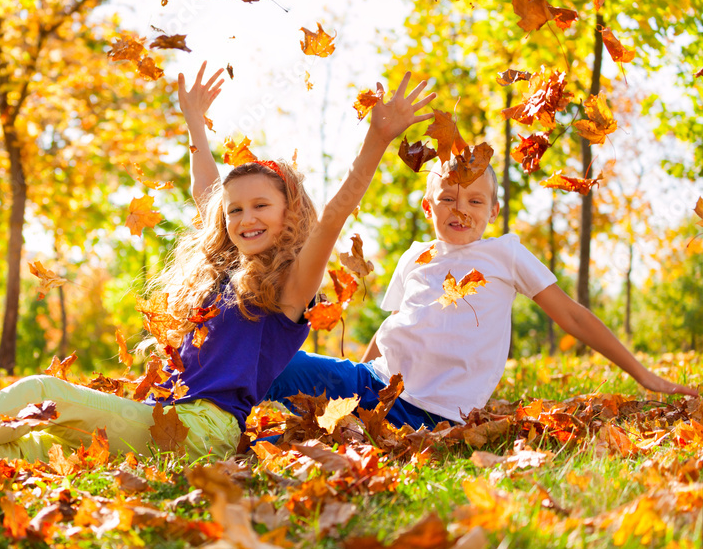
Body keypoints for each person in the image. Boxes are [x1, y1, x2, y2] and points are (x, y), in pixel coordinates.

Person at [0, 61, 437, 465]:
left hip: (201, 431)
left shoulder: (289, 290)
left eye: (260, 207)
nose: (244, 219)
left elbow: (334, 218)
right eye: (236, 211)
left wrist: (375, 141)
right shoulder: (222, 268)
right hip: (165, 416)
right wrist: (195, 126)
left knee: (43, 392)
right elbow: (206, 192)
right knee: (29, 440)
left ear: (287, 212)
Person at [265, 159, 699, 429]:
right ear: (428, 207)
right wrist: (356, 391)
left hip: (432, 411)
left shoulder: (505, 254)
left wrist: (644, 374)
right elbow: (393, 325)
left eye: (475, 201)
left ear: (493, 210)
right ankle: (219, 407)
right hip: (375, 387)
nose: (461, 209)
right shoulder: (415, 256)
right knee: (275, 366)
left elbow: (574, 317)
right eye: (449, 198)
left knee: (276, 374)